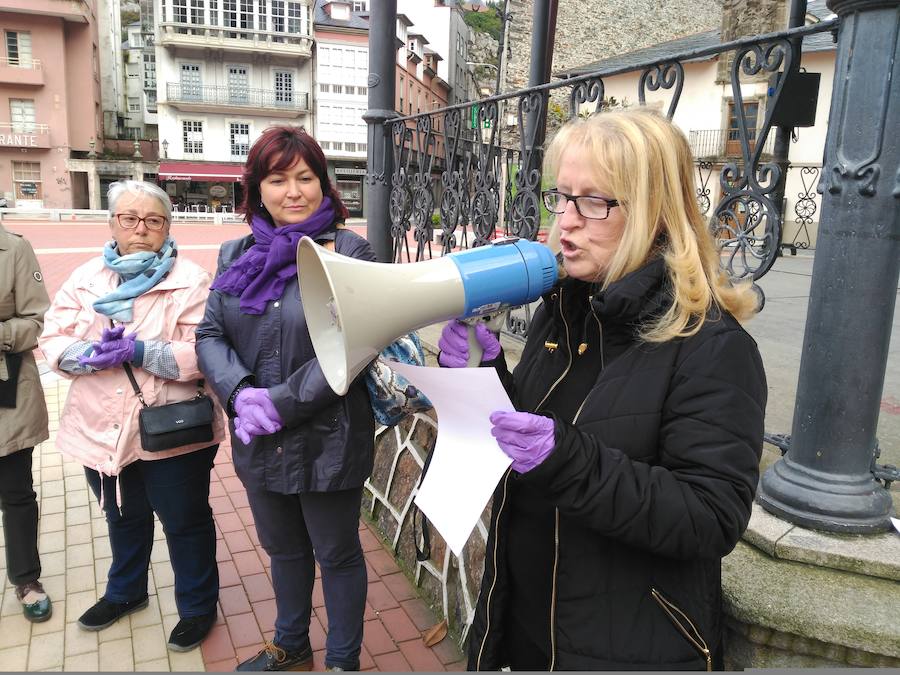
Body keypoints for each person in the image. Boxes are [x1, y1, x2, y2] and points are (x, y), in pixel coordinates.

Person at [439, 108, 767, 671]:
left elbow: (711, 516)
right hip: (523, 625)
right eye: (562, 197)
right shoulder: (564, 310)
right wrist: (487, 377)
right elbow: (539, 440)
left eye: (594, 202)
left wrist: (567, 459)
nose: (565, 221)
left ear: (654, 213)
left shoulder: (712, 346)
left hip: (623, 646)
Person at [196, 126, 376, 672]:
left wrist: (280, 404)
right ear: (257, 187)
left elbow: (357, 342)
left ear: (325, 184)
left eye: (306, 177)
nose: (293, 191)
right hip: (257, 440)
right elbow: (209, 335)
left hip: (330, 438)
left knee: (337, 554)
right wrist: (241, 393)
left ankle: (342, 660)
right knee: (284, 550)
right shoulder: (236, 253)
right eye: (278, 179)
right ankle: (290, 642)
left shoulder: (349, 251)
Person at [39, 180, 225, 652]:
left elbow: (204, 351)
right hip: (99, 428)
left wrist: (142, 351)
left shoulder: (191, 280)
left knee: (185, 521)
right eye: (130, 218)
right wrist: (87, 355)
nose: (141, 229)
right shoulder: (85, 278)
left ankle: (198, 607)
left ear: (166, 227)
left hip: (172, 427)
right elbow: (53, 339)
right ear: (112, 223)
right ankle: (126, 592)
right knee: (121, 515)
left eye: (154, 220)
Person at [0, 223, 52, 623]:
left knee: (15, 490)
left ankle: (26, 578)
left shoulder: (14, 249)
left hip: (7, 387)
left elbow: (36, 320)